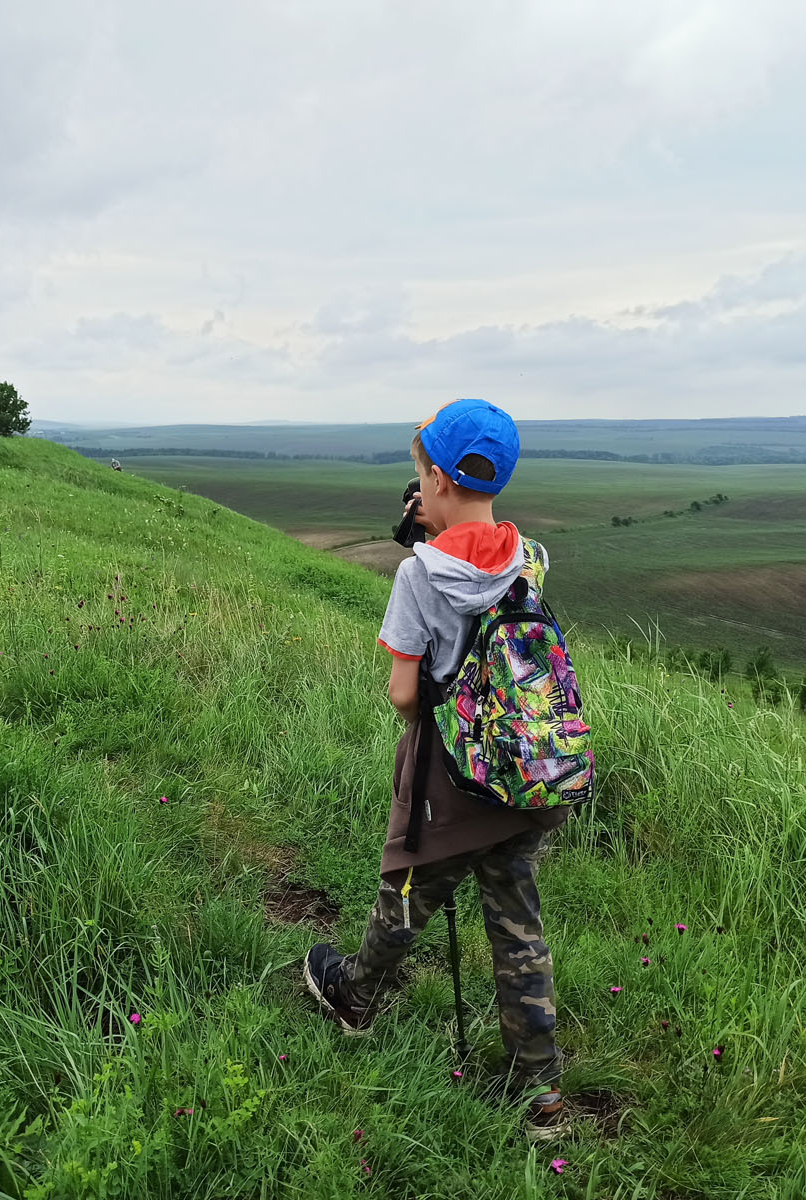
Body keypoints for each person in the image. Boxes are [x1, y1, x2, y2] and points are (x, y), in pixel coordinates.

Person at [303, 398, 571, 1121]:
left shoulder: (417, 577)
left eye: (422, 472)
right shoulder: (530, 558)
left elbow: (403, 697)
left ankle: (353, 991)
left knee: (408, 892)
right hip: (528, 774)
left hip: (452, 782)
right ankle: (539, 1084)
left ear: (437, 482)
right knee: (517, 922)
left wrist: (424, 553)